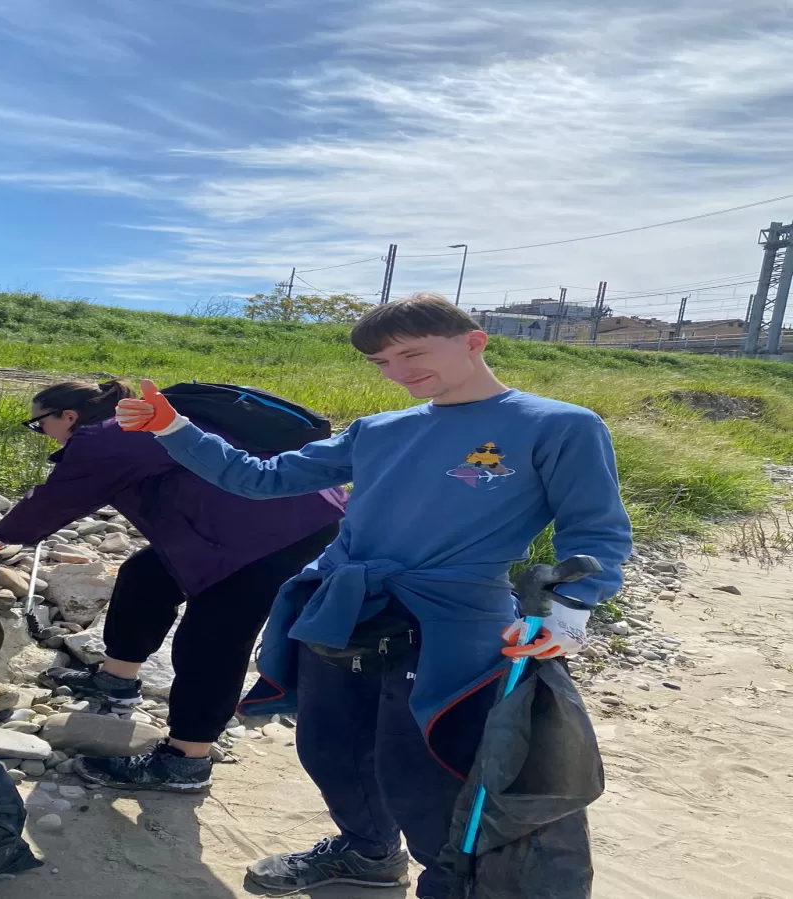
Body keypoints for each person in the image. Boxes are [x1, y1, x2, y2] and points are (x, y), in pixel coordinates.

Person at [114, 293, 633, 897]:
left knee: (428, 768)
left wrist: (570, 611)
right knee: (331, 746)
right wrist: (173, 428)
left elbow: (595, 529)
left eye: (413, 353)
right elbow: (260, 479)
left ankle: (454, 885)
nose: (399, 371)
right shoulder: (380, 429)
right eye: (383, 362)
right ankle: (367, 853)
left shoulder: (558, 424)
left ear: (474, 342)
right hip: (345, 605)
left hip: (453, 618)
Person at [0, 378, 344, 793]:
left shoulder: (109, 437)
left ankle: (186, 760)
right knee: (145, 576)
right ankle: (117, 678)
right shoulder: (128, 428)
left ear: (68, 416)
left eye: (38, 423)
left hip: (282, 532)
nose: (40, 432)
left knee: (213, 637)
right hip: (241, 524)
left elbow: (54, 501)